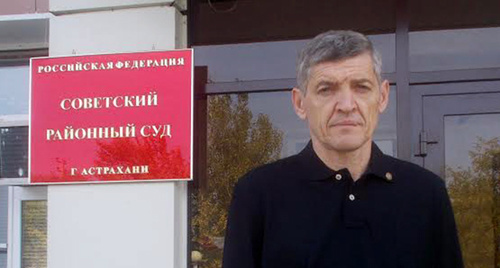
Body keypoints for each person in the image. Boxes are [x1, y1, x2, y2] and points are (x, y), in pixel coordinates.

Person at [222, 30, 463, 268]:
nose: (347, 105)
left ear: (382, 96)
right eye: (326, 89)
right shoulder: (257, 194)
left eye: (361, 87)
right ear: (299, 103)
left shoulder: (426, 193)